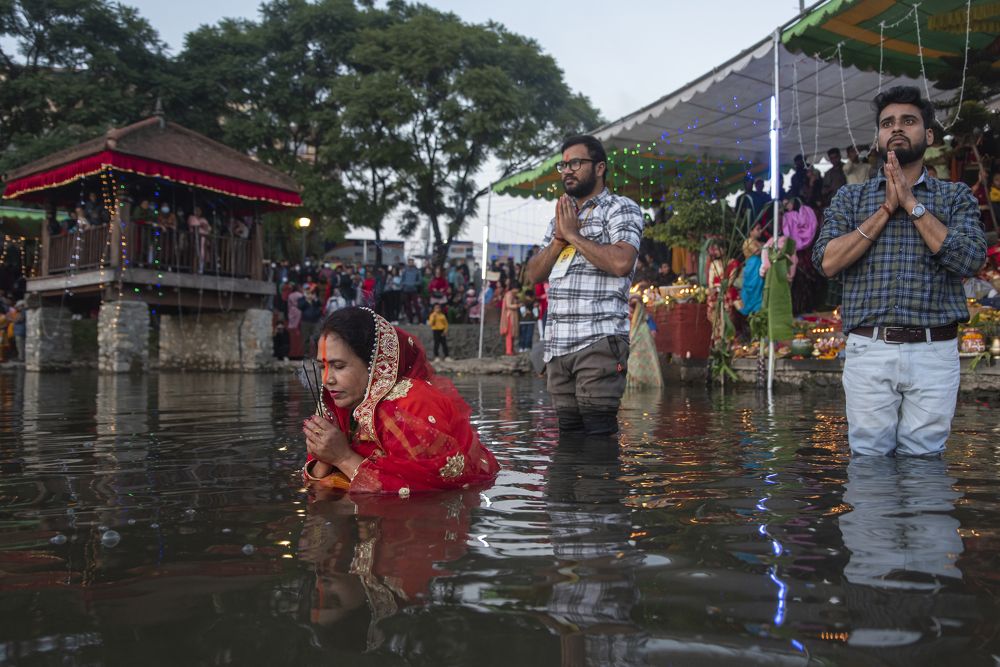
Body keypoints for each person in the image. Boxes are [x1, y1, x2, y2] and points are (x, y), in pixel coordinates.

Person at [813, 85, 987, 457]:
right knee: (869, 458)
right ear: (877, 138)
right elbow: (827, 261)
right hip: (870, 348)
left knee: (925, 458)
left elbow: (971, 259)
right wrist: (886, 210)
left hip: (934, 350)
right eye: (887, 122)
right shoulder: (851, 198)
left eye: (908, 121)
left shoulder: (954, 197)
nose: (896, 128)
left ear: (927, 135)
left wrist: (911, 204)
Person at [300, 307, 499, 494]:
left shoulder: (410, 406)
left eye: (339, 366)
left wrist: (342, 457)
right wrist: (324, 455)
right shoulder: (338, 403)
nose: (327, 379)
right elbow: (315, 484)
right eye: (322, 367)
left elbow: (424, 491)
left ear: (374, 364)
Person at [524, 134, 643, 435]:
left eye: (575, 162)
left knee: (598, 442)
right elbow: (532, 275)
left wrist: (575, 237)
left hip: (599, 340)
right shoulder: (560, 220)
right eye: (563, 165)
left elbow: (621, 263)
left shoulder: (620, 208)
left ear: (600, 167)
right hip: (558, 346)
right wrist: (559, 239)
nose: (567, 170)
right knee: (569, 440)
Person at [499, 281, 520, 356]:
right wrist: (517, 305)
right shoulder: (509, 294)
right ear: (515, 288)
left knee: (513, 334)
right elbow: (508, 305)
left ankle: (511, 349)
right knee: (509, 334)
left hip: (512, 316)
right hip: (509, 316)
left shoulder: (513, 295)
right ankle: (508, 351)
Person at [400, 258, 422, 324]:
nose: (410, 263)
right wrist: (405, 284)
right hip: (406, 291)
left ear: (413, 263)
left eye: (412, 262)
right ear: (408, 263)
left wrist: (413, 284)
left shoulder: (417, 271)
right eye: (409, 262)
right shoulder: (404, 271)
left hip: (414, 290)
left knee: (416, 305)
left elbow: (420, 281)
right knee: (407, 306)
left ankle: (420, 321)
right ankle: (410, 320)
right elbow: (401, 280)